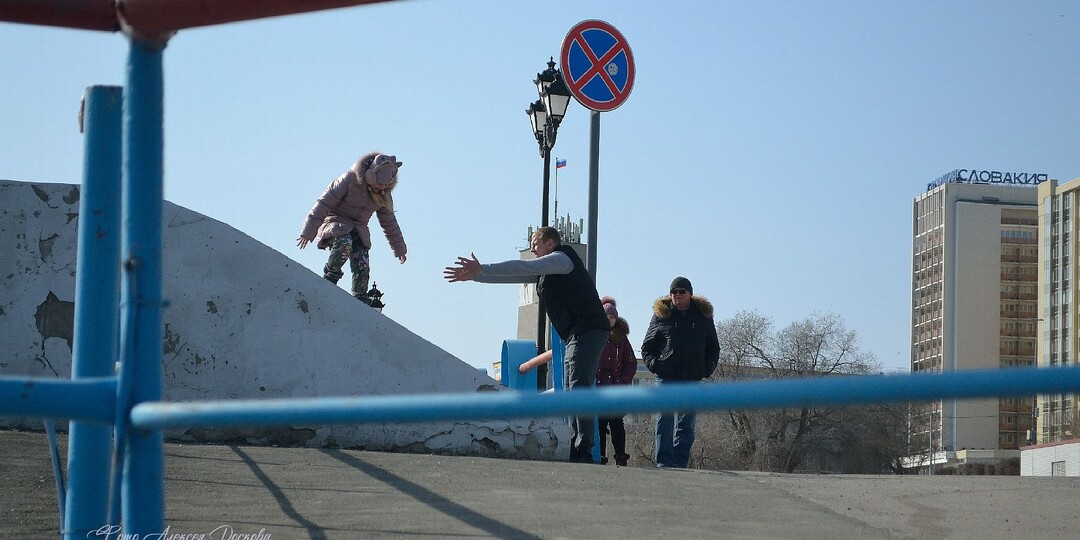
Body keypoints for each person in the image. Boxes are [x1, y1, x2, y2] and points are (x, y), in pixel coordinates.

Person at [444, 226, 608, 463]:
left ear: (550, 243)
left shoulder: (562, 259)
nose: (531, 248)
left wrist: (483, 268)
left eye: (535, 242)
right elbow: (515, 276)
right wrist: (477, 276)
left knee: (579, 385)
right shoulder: (546, 271)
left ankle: (584, 449)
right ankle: (575, 445)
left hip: (589, 329)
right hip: (577, 332)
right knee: (573, 388)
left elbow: (525, 266)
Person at [297, 152, 407, 305]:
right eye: (378, 184)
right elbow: (324, 204)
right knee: (345, 242)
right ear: (371, 175)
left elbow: (389, 223)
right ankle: (331, 275)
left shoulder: (383, 194)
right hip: (335, 222)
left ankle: (360, 294)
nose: (379, 188)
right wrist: (308, 232)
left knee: (362, 260)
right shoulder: (348, 179)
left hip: (359, 229)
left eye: (384, 185)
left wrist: (399, 249)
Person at [641, 277, 720, 468]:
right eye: (674, 291)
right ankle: (664, 463)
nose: (677, 295)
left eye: (681, 291)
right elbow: (647, 346)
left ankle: (680, 463)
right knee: (664, 421)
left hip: (691, 378)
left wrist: (706, 369)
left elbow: (713, 347)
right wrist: (655, 365)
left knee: (686, 424)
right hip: (666, 378)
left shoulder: (703, 316)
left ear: (690, 294)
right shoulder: (662, 315)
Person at [596, 296, 637, 466]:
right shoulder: (596, 335)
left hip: (615, 388)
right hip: (598, 387)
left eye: (612, 317)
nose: (608, 320)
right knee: (599, 423)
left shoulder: (621, 340)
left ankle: (621, 455)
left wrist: (623, 382)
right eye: (605, 317)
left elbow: (631, 363)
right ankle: (599, 455)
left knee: (616, 423)